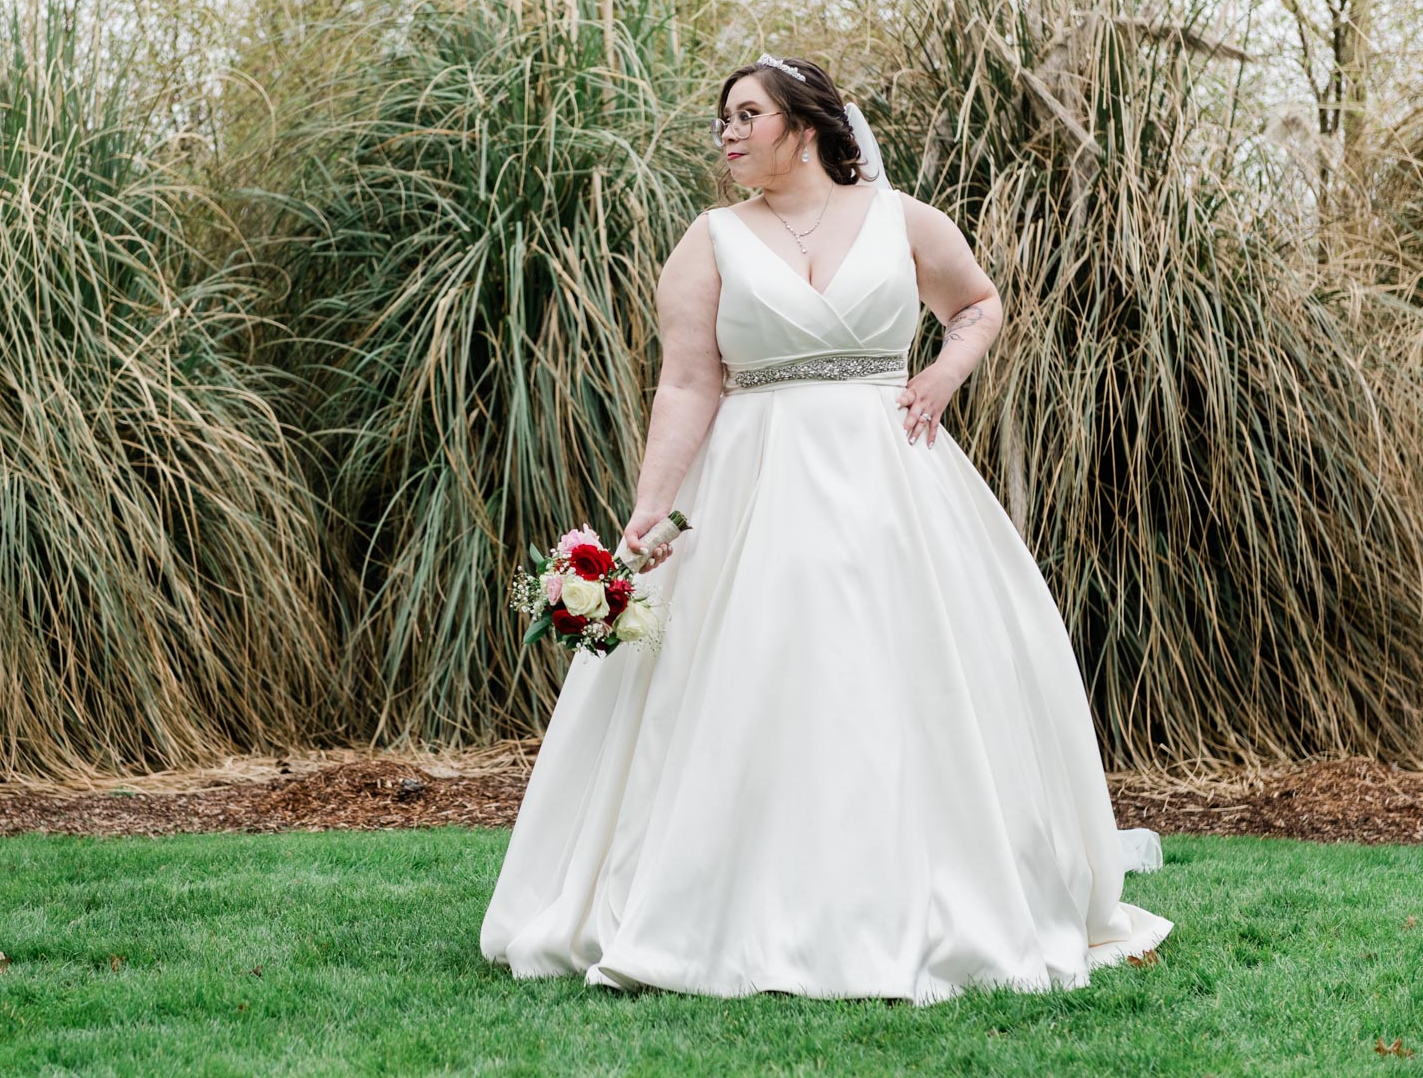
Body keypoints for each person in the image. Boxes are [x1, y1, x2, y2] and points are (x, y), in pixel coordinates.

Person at [479, 54, 1174, 1005]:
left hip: (894, 480)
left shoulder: (905, 221)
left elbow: (978, 305)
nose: (727, 132)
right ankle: (725, 899)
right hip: (751, 485)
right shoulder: (711, 241)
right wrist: (650, 506)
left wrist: (939, 375)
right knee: (750, 677)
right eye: (722, 118)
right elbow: (687, 381)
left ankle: (917, 894)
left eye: (746, 114)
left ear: (804, 125)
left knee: (899, 676)